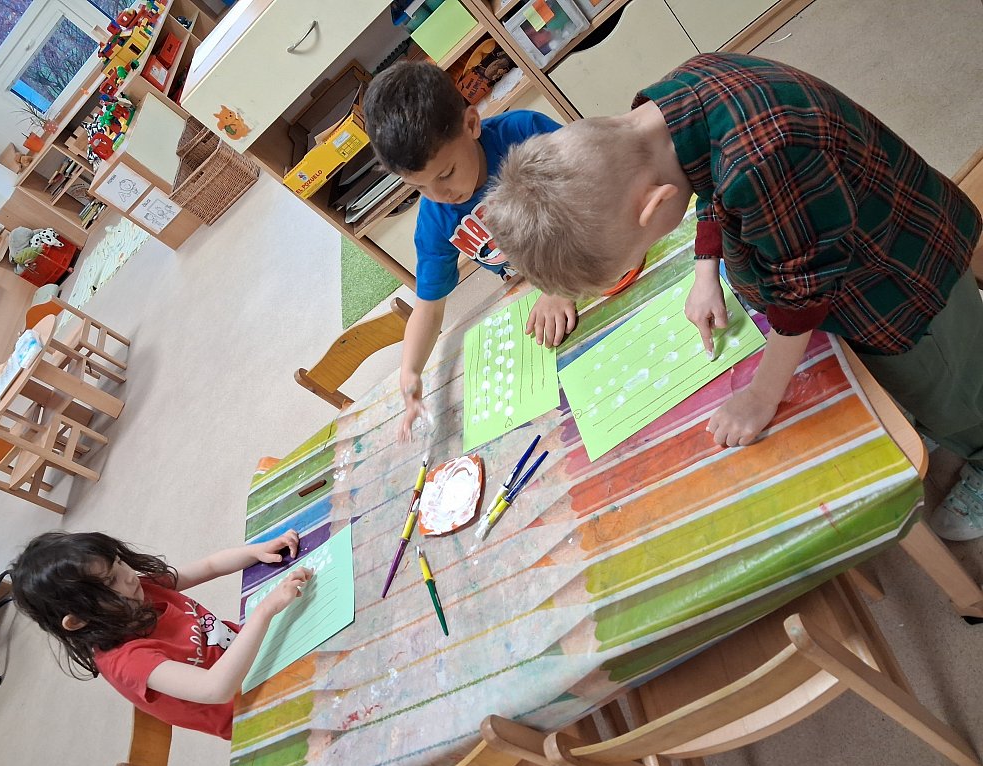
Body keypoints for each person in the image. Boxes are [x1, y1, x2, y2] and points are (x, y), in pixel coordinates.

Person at [482, 53, 983, 540]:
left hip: (906, 286)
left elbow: (802, 295)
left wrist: (762, 397)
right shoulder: (665, 114)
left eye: (642, 246)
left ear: (654, 204)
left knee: (957, 394)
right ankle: (936, 412)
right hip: (837, 243)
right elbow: (705, 186)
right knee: (922, 390)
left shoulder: (760, 160)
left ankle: (974, 447)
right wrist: (706, 270)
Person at [363, 62, 577, 439]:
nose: (439, 195)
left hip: (586, 255)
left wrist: (560, 285)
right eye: (419, 187)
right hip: (536, 290)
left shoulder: (524, 133)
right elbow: (428, 307)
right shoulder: (435, 220)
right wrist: (410, 371)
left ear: (472, 124)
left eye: (445, 174)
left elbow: (596, 188)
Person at [10, 530, 313, 739]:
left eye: (119, 562)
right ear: (78, 620)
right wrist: (264, 610)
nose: (129, 576)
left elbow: (209, 566)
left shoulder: (139, 590)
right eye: (111, 580)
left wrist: (255, 551)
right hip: (256, 712)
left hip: (261, 655)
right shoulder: (126, 660)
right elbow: (215, 688)